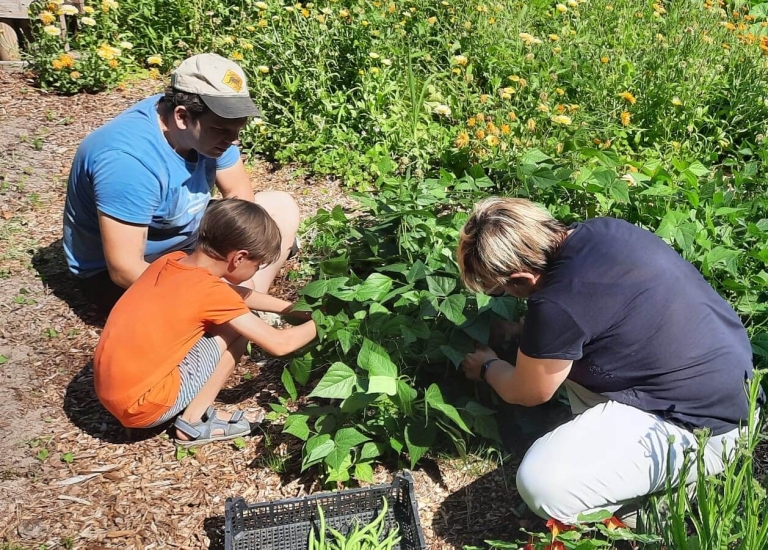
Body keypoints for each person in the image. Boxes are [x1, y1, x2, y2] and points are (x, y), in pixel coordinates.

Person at [456, 197, 758, 525]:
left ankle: (658, 510)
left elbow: (528, 392)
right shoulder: (604, 230)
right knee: (556, 358)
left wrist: (488, 366)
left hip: (704, 432)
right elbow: (590, 307)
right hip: (736, 387)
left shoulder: (556, 305)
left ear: (522, 280)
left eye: (499, 292)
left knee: (540, 483)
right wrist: (526, 330)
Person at [63, 53, 300, 314]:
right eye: (222, 130)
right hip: (128, 273)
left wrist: (239, 257)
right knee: (215, 305)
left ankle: (246, 304)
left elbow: (239, 195)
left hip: (188, 240)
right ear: (182, 116)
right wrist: (214, 282)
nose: (233, 141)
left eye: (237, 130)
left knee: (281, 207)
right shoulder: (128, 161)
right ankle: (244, 309)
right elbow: (124, 269)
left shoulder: (210, 129)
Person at [94, 199, 317, 447]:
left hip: (110, 392)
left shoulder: (171, 261)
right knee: (239, 329)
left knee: (224, 319)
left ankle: (185, 406)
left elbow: (235, 293)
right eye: (257, 265)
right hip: (144, 407)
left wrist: (295, 310)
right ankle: (192, 422)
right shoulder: (210, 292)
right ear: (239, 258)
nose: (256, 271)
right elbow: (279, 343)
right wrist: (324, 320)